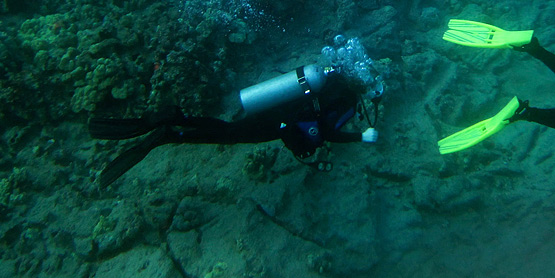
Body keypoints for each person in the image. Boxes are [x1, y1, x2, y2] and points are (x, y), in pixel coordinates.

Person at [90, 63, 379, 187]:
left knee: (227, 129)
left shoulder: (331, 82)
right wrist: (360, 137)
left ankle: (174, 122)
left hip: (274, 109)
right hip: (277, 122)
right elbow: (327, 131)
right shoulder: (347, 101)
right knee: (228, 134)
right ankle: (169, 130)